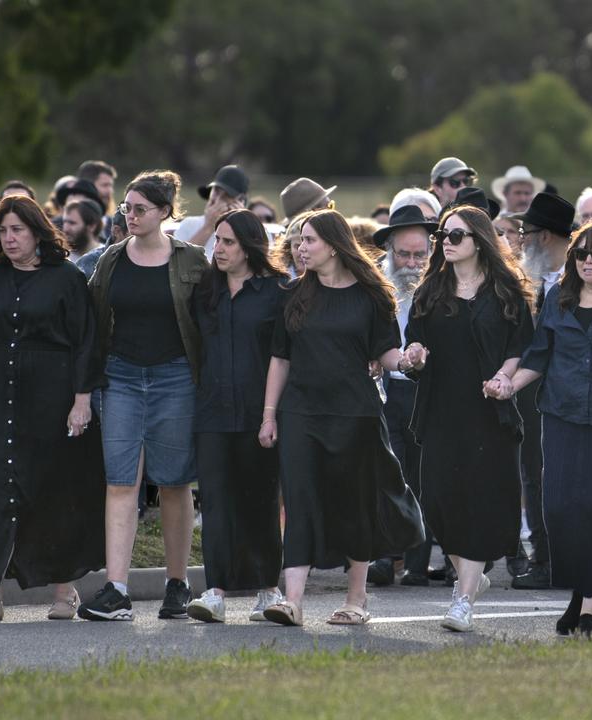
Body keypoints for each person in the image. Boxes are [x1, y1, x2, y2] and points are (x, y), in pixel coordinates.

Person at [258, 209, 423, 627]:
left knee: (355, 505)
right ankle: (292, 601)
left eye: (309, 240)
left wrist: (406, 361)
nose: (301, 247)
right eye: (299, 240)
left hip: (356, 414)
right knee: (299, 501)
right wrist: (269, 416)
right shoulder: (293, 293)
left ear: (333, 245)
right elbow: (280, 358)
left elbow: (385, 352)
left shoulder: (371, 295)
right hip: (300, 413)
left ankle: (356, 599)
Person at [0, 195, 106, 621]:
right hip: (1, 394)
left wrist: (81, 400)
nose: (9, 238)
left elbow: (85, 341)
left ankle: (64, 592)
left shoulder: (67, 278)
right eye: (3, 231)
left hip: (54, 395)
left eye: (17, 230)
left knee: (52, 490)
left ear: (38, 232)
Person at [78, 171, 208, 621]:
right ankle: (116, 588)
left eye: (140, 209)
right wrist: (84, 388)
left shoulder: (192, 260)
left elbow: (207, 323)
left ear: (164, 213)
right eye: (126, 208)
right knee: (120, 481)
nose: (130, 216)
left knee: (174, 481)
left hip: (176, 376)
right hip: (121, 377)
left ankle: (177, 583)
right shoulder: (111, 259)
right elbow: (94, 325)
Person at [498, 221, 592, 637]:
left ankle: (591, 605)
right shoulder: (556, 298)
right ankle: (579, 588)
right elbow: (539, 355)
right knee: (560, 508)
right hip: (561, 414)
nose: (588, 261)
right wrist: (509, 386)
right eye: (581, 254)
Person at [402, 205, 533, 632]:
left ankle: (462, 599)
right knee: (439, 502)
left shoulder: (506, 292)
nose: (446, 242)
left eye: (456, 235)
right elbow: (414, 343)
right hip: (441, 410)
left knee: (480, 502)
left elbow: (520, 347)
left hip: (488, 411)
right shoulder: (430, 291)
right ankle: (471, 578)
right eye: (442, 235)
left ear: (479, 241)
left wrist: (505, 377)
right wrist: (415, 356)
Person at [184, 210, 290, 623]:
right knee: (215, 502)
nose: (219, 249)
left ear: (249, 246)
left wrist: (272, 415)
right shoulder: (204, 291)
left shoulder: (276, 291)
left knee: (261, 501)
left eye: (229, 242)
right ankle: (215, 591)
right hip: (211, 412)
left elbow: (284, 355)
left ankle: (268, 588)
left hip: (259, 413)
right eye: (218, 241)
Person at [366, 205, 439, 587]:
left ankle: (416, 563)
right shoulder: (373, 284)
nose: (411, 263)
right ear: (389, 250)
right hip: (384, 390)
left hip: (427, 391)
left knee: (422, 475)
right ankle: (384, 556)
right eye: (404, 254)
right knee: (385, 472)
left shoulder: (441, 285)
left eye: (419, 255)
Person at [509, 191, 576, 589]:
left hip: (571, 393)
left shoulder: (581, 277)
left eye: (526, 233)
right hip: (530, 394)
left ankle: (568, 557)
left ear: (545, 236)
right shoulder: (528, 281)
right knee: (533, 476)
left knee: (569, 477)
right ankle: (544, 558)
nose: (521, 241)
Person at [179, 165, 249, 258]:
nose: (218, 199)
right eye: (216, 191)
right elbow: (180, 260)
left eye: (227, 195)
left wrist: (241, 226)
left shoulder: (256, 230)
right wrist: (208, 226)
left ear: (240, 201)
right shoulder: (189, 224)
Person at [62, 197, 107, 265]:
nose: (66, 229)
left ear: (92, 226)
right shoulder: (62, 258)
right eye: (65, 222)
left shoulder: (106, 258)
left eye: (72, 223)